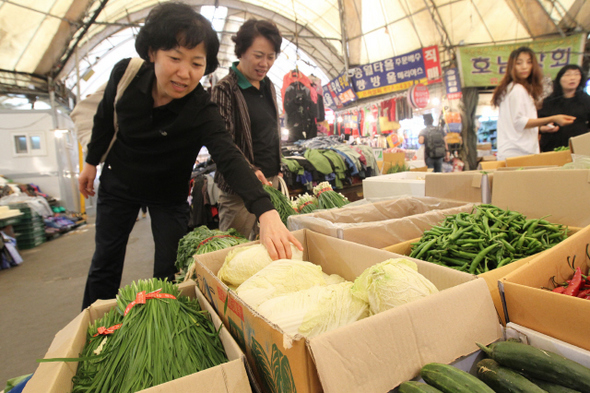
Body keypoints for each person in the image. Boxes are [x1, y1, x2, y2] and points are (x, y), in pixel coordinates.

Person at [78, 3, 301, 309]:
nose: (184, 73)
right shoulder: (125, 74)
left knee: (169, 271)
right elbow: (104, 118)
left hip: (168, 195)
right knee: (105, 262)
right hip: (121, 182)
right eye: (174, 58)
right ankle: (93, 332)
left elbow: (228, 155)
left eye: (197, 63)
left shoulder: (201, 107)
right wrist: (91, 162)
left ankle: (160, 326)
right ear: (153, 52)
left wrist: (266, 211)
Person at [210, 18, 283, 239]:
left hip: (271, 183)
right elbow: (224, 143)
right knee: (235, 249)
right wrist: (251, 170)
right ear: (241, 52)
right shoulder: (225, 89)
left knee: (270, 250)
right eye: (258, 55)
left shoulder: (268, 84)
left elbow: (271, 131)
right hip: (239, 191)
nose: (265, 63)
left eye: (271, 57)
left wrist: (278, 167)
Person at [491, 46, 575, 160]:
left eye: (529, 62)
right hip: (518, 153)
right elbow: (520, 122)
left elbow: (515, 124)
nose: (524, 66)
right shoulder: (517, 90)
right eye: (519, 63)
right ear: (512, 66)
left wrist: (540, 128)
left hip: (514, 152)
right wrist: (554, 118)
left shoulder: (511, 88)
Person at [538, 64, 590, 152]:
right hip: (552, 148)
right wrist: (544, 129)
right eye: (568, 74)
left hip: (579, 148)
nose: (573, 78)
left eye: (577, 74)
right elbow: (537, 124)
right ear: (559, 79)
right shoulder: (548, 101)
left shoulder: (586, 100)